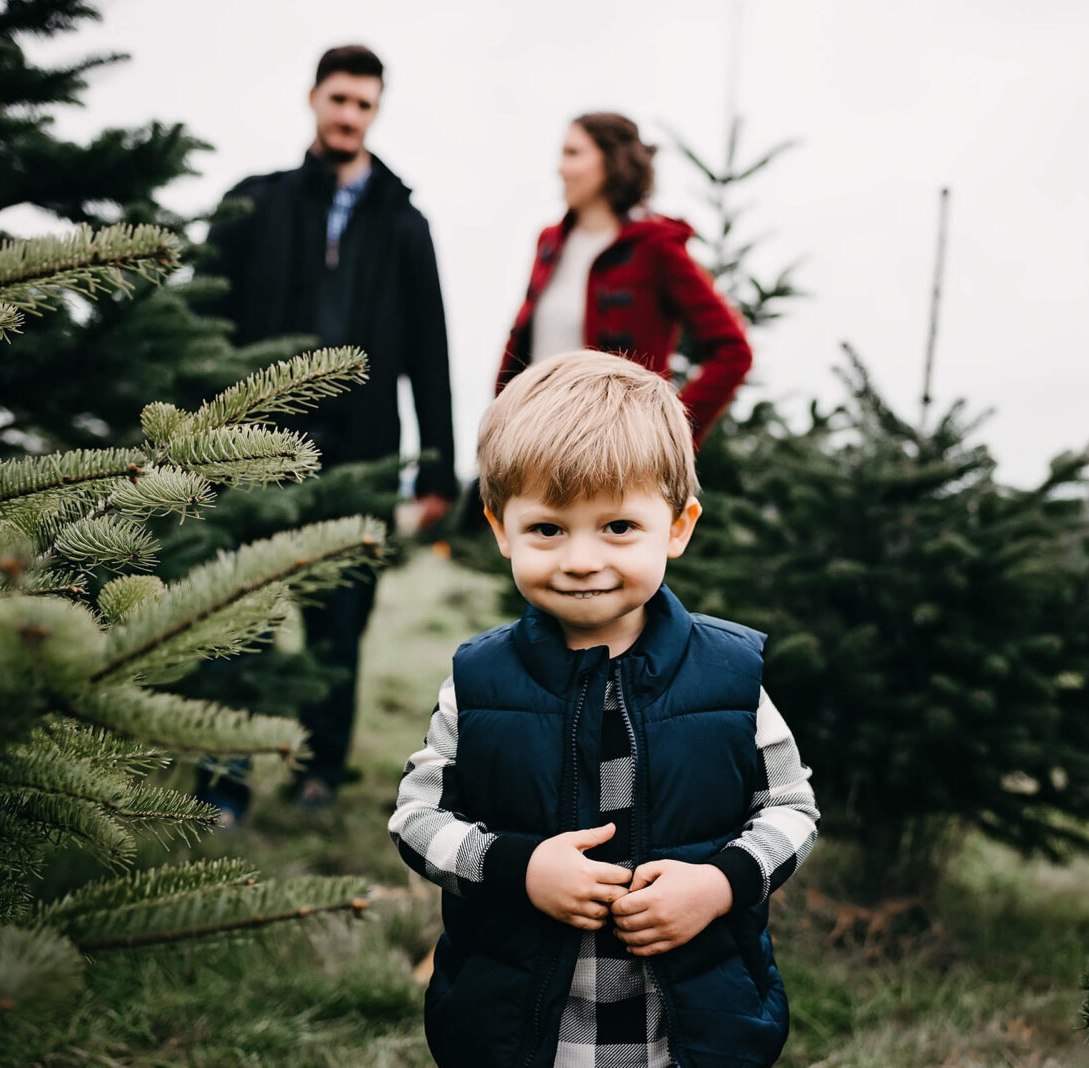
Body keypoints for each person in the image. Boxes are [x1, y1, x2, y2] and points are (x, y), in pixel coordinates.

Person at [391, 351, 819, 1066]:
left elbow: (791, 811)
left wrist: (720, 885)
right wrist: (515, 869)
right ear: (501, 529)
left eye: (618, 527)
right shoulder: (480, 681)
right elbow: (416, 818)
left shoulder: (729, 678)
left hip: (685, 1026)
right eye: (548, 530)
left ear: (677, 527)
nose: (582, 558)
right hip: (523, 1028)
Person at [199, 44, 455, 817]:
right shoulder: (255, 204)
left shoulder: (407, 225)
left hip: (362, 457)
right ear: (314, 99)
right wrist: (198, 439)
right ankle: (222, 780)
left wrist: (436, 472)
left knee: (339, 626)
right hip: (252, 451)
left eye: (364, 105)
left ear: (376, 112)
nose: (349, 116)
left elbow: (429, 352)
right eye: (339, 100)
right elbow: (205, 322)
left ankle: (318, 776)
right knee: (238, 618)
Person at [497, 114, 753, 448]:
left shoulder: (654, 247)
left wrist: (667, 437)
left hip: (613, 464)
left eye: (573, 154)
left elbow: (733, 350)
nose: (560, 168)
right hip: (530, 449)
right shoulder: (549, 242)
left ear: (612, 161)